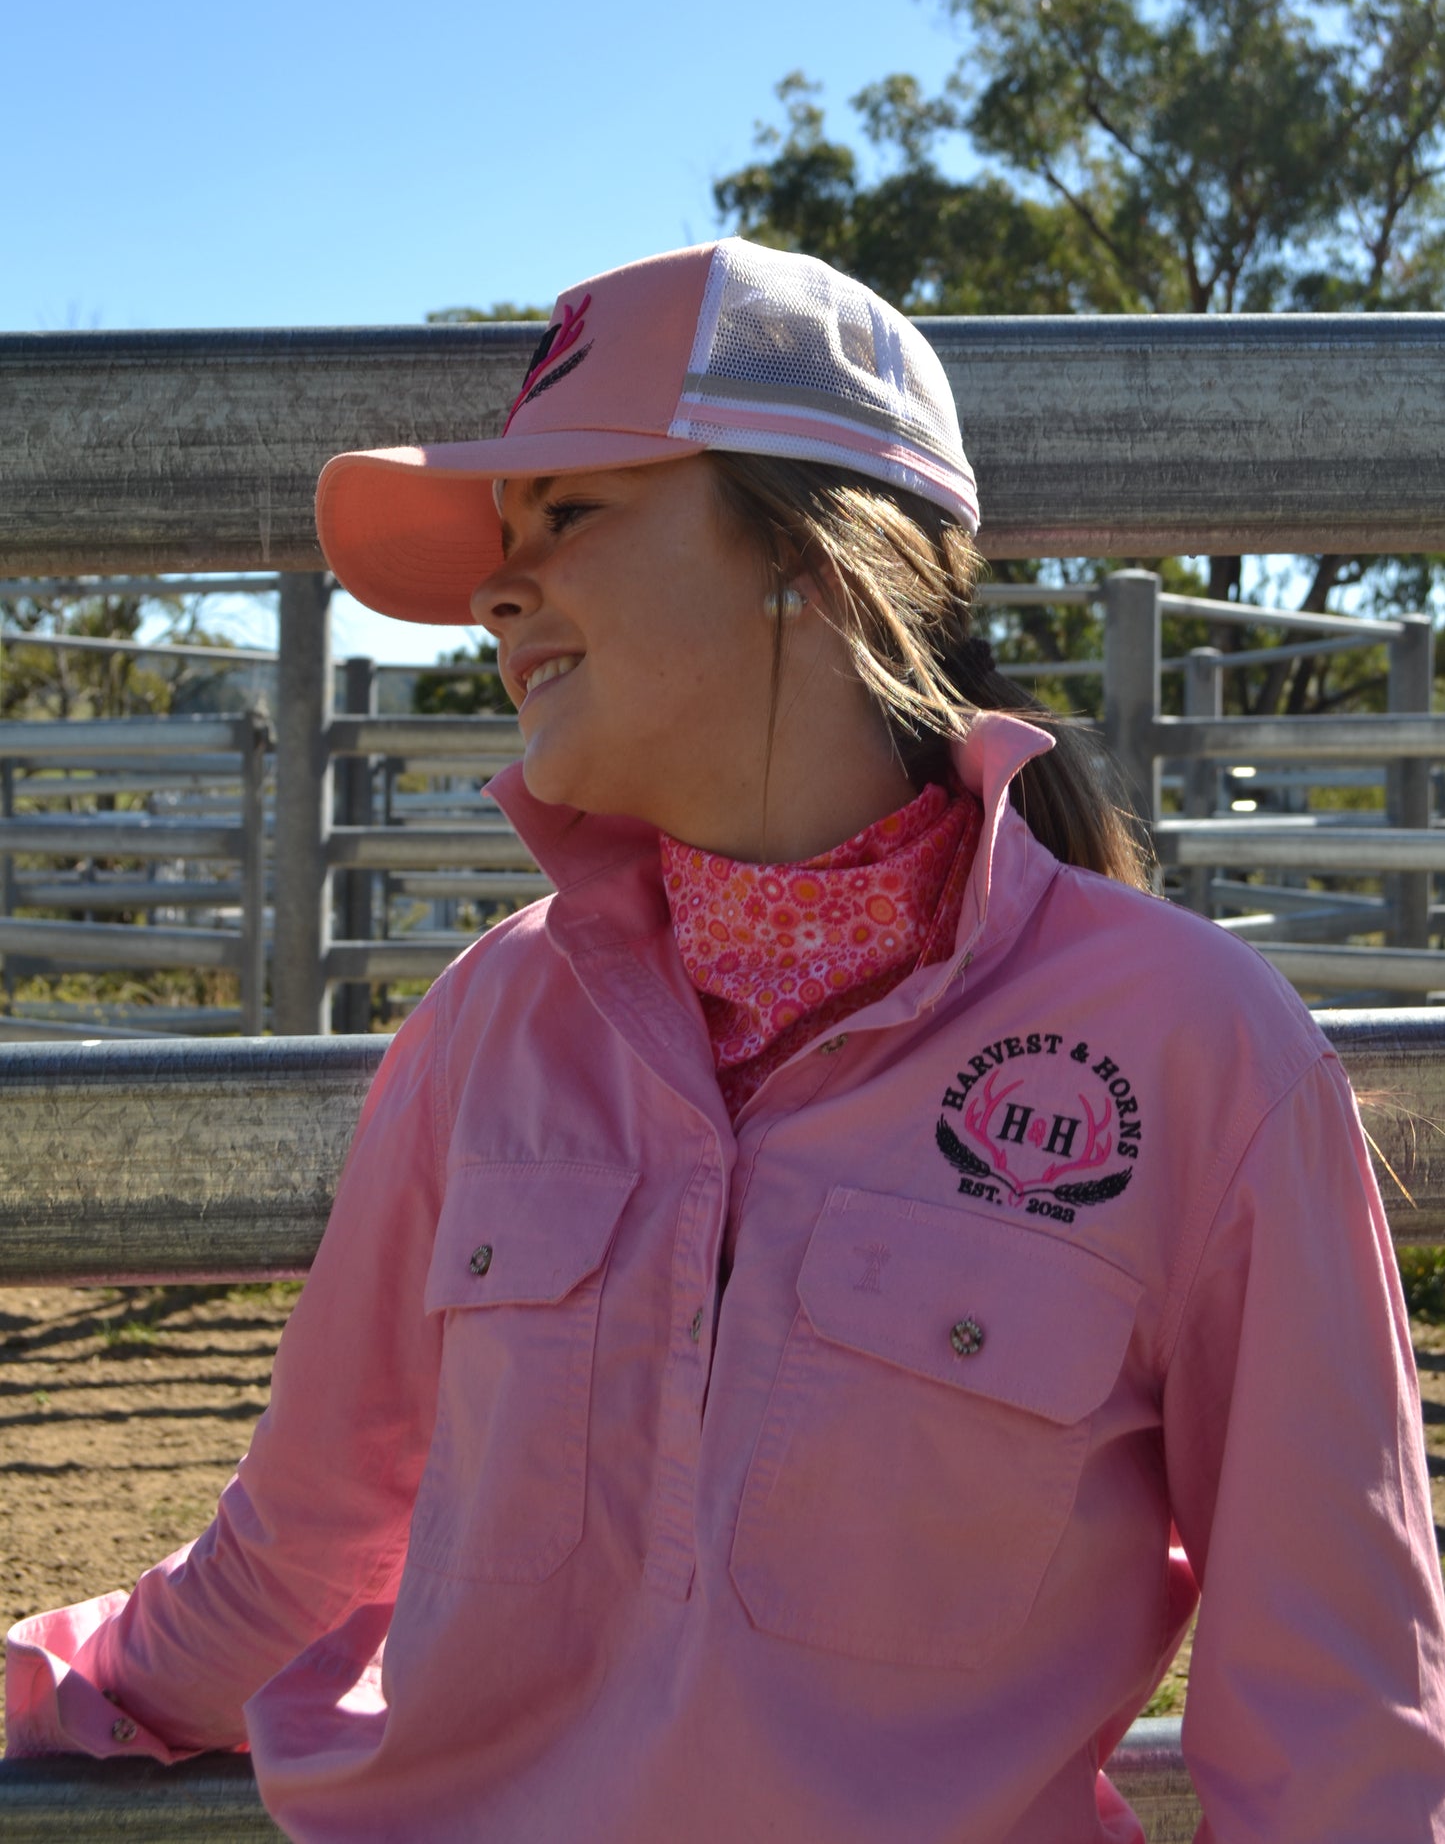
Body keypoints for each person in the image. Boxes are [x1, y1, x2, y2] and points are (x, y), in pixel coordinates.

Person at [7, 237, 1445, 1841]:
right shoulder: (493, 1023)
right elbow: (300, 1544)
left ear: (813, 560)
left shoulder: (1197, 1053)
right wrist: (47, 1692)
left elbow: (1336, 1722)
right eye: (505, 536)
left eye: (570, 513)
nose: (494, 590)